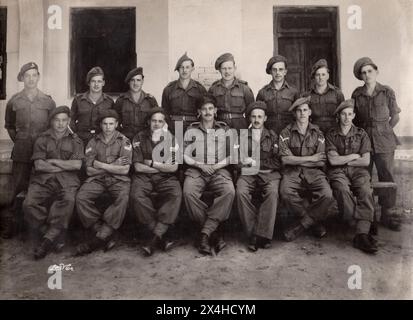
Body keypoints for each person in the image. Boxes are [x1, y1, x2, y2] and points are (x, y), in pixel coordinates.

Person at [2, 62, 56, 238]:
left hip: (43, 153)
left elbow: (53, 127)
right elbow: (9, 126)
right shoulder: (14, 101)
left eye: (34, 75)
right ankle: (13, 225)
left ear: (38, 77)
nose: (31, 79)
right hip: (22, 152)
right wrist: (20, 140)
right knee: (17, 188)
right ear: (22, 78)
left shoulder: (48, 101)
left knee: (42, 188)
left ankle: (38, 226)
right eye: (27, 76)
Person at [23, 106, 84, 259]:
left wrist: (54, 161)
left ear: (69, 121)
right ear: (51, 121)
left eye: (64, 120)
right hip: (42, 180)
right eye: (57, 120)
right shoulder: (42, 139)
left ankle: (46, 242)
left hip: (68, 181)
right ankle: (51, 234)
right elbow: (39, 165)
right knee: (28, 204)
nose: (60, 124)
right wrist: (64, 165)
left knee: (69, 200)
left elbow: (77, 165)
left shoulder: (75, 140)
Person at [351, 57, 402, 232]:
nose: (367, 75)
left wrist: (385, 130)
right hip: (364, 140)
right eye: (363, 73)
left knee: (386, 175)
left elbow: (395, 115)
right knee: (364, 178)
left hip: (384, 140)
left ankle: (388, 214)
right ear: (360, 76)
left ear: (376, 71)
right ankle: (368, 216)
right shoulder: (357, 94)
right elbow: (354, 119)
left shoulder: (387, 92)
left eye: (369, 71)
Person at [183, 94, 235, 255]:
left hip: (219, 170)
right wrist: (200, 165)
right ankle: (214, 233)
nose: (207, 112)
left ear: (216, 111)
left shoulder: (224, 129)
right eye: (204, 109)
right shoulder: (190, 130)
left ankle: (205, 233)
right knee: (188, 193)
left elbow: (232, 155)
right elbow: (184, 155)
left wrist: (215, 166)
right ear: (199, 112)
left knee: (229, 192)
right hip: (196, 170)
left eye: (210, 108)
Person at [74, 110, 132, 255]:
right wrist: (114, 165)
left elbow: (124, 170)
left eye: (111, 124)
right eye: (105, 124)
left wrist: (100, 165)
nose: (108, 127)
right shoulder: (93, 142)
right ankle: (104, 231)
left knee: (123, 197)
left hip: (119, 180)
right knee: (81, 197)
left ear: (117, 124)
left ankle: (100, 237)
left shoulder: (124, 141)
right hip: (97, 180)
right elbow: (89, 171)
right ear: (100, 124)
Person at [279, 96, 335, 241]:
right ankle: (312, 222)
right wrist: (311, 158)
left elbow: (321, 161)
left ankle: (302, 225)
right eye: (299, 111)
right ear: (294, 114)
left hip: (314, 172)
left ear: (310, 112)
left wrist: (295, 160)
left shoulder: (318, 133)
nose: (302, 113)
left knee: (327, 194)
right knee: (285, 192)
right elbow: (285, 159)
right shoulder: (285, 133)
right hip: (292, 173)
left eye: (305, 110)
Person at [326, 99, 377, 254]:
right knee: (342, 189)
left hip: (358, 171)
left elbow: (365, 160)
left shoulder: (361, 134)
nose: (347, 117)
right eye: (343, 114)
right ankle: (360, 224)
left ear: (354, 115)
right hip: (337, 172)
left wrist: (346, 161)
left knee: (366, 191)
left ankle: (361, 235)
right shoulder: (331, 134)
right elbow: (333, 160)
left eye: (349, 114)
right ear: (338, 116)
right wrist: (354, 156)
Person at [130, 107, 181, 256]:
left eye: (160, 121)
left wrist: (152, 164)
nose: (157, 124)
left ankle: (153, 238)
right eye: (154, 121)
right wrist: (161, 167)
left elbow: (173, 168)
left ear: (165, 123)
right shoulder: (139, 137)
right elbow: (138, 167)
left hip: (165, 177)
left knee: (176, 194)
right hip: (143, 177)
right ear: (148, 122)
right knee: (136, 196)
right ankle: (160, 235)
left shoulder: (171, 138)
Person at [236, 101, 281, 251]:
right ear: (249, 118)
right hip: (248, 174)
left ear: (265, 118)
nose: (256, 120)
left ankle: (264, 235)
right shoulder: (242, 136)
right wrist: (244, 163)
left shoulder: (273, 136)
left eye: (259, 117)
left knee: (272, 192)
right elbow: (236, 161)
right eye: (253, 116)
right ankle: (254, 234)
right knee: (241, 191)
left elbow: (278, 161)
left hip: (269, 174)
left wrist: (255, 162)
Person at [162, 53, 207, 132]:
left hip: (194, 125)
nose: (184, 70)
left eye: (187, 67)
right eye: (181, 67)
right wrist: (171, 125)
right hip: (176, 126)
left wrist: (199, 125)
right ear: (178, 69)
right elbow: (165, 111)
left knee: (193, 144)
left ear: (192, 69)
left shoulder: (200, 89)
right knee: (177, 144)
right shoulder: (169, 89)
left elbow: (205, 109)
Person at [208, 53, 255, 130]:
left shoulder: (244, 88)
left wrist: (245, 125)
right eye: (224, 68)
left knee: (242, 142)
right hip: (219, 125)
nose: (227, 72)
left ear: (234, 68)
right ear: (219, 70)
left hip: (240, 126)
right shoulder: (213, 89)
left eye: (230, 68)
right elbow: (209, 109)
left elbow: (251, 110)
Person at [70, 66, 114, 146]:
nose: (96, 84)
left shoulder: (109, 101)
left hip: (102, 140)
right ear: (88, 83)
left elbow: (113, 122)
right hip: (81, 140)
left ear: (103, 83)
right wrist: (74, 135)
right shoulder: (78, 100)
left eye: (99, 81)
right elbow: (71, 120)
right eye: (93, 81)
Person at [256, 55, 299, 134]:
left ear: (285, 72)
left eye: (281, 69)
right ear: (270, 72)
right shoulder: (263, 92)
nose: (278, 73)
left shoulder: (293, 92)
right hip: (269, 132)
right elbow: (257, 114)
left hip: (289, 132)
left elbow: (298, 114)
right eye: (274, 70)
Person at [115, 67, 159, 141]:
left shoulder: (150, 100)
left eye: (138, 80)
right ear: (129, 82)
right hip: (126, 139)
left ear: (142, 81)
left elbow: (156, 121)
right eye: (132, 80)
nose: (135, 83)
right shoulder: (121, 100)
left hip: (145, 139)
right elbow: (115, 122)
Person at [304, 59, 344, 133]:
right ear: (314, 77)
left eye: (323, 74)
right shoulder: (307, 95)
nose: (320, 77)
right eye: (317, 75)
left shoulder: (337, 93)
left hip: (333, 131)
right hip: (314, 131)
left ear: (328, 76)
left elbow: (343, 114)